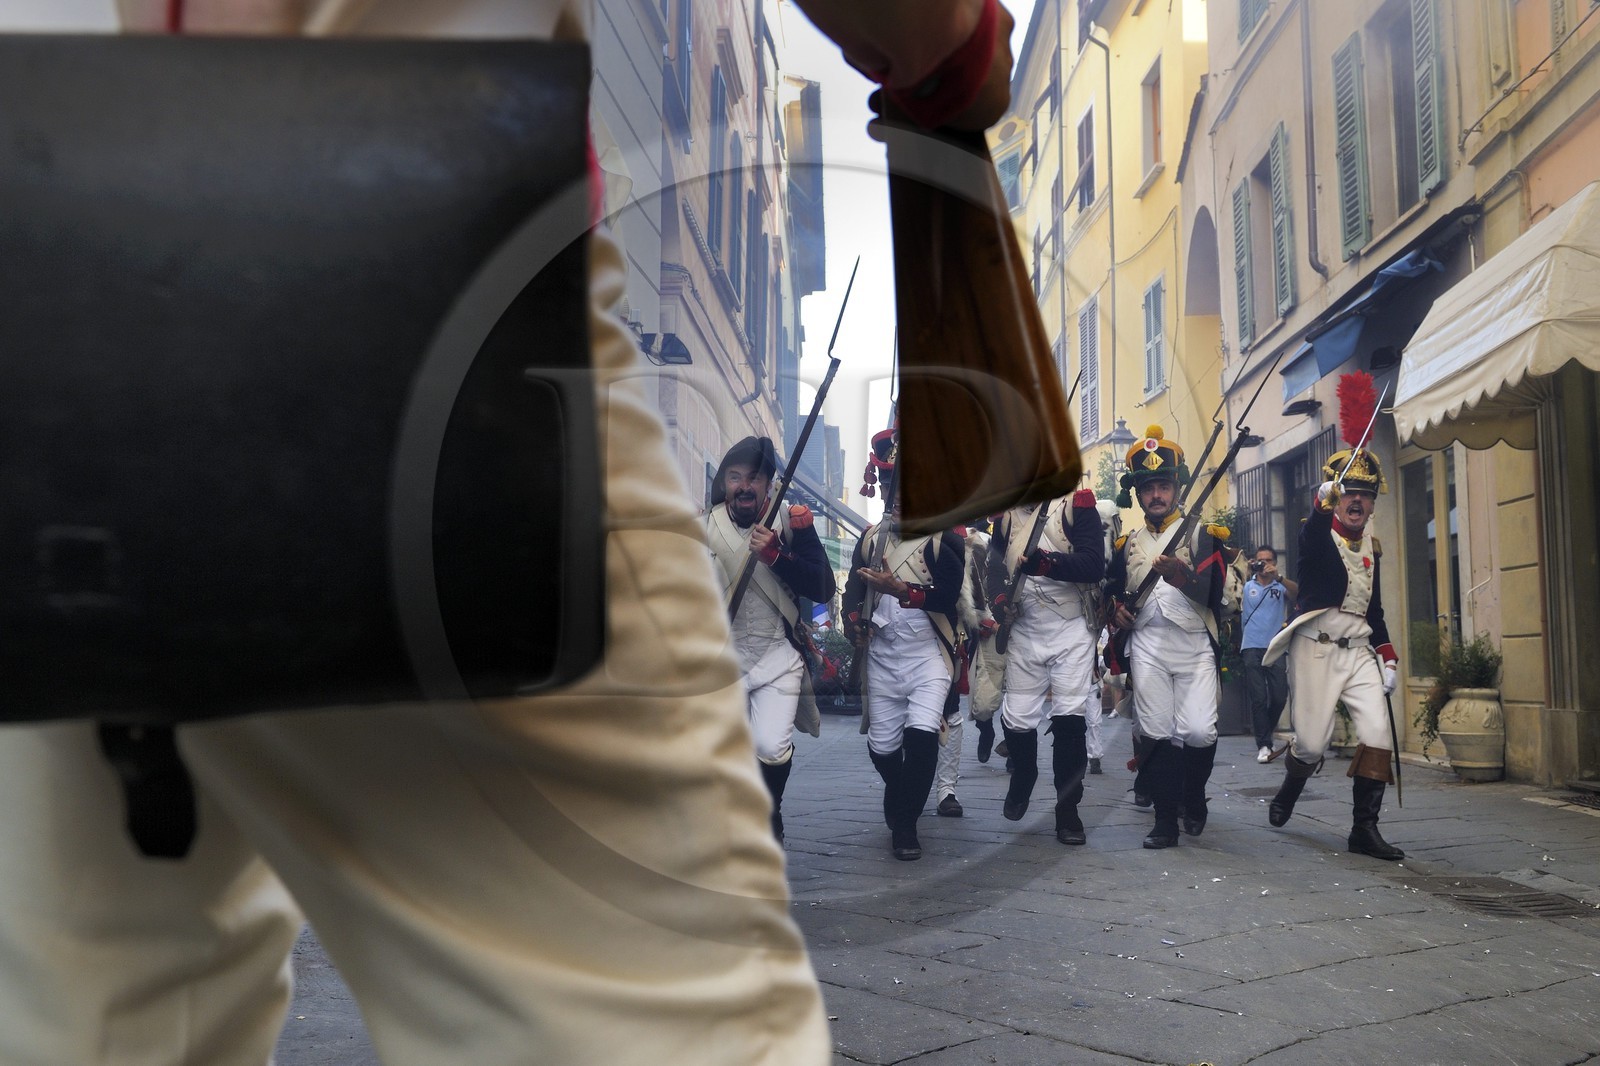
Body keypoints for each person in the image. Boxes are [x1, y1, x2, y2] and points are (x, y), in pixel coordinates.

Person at [0, 0, 1018, 1062]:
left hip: (42, 249)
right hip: (398, 262)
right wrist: (949, 53)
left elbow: (817, 583)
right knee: (663, 1024)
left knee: (93, 1011)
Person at [1263, 373, 1404, 860]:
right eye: (1350, 494)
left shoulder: (1374, 549)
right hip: (1316, 648)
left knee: (1377, 735)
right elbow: (1311, 536)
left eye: (1366, 494)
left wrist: (1387, 657)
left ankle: (1363, 830)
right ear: (1337, 499)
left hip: (1359, 651)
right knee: (1311, 743)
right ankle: (1291, 788)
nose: (1359, 501)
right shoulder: (1317, 537)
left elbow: (1375, 609)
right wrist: (1322, 499)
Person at [1106, 426, 1234, 849]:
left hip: (1194, 643)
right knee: (1157, 731)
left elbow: (1217, 595)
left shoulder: (1202, 535)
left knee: (1199, 731)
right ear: (1138, 495)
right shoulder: (1126, 545)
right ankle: (1164, 820)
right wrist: (1116, 611)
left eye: (1163, 486)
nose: (1156, 495)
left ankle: (1193, 796)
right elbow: (1111, 593)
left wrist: (1182, 576)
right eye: (1148, 489)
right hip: (1147, 646)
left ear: (1176, 489)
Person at [706, 436, 836, 843]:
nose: (744, 486)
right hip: (723, 659)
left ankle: (768, 811)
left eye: (754, 478)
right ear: (725, 483)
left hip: (778, 655)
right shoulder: (702, 527)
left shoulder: (793, 523)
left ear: (768, 483)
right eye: (735, 478)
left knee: (772, 749)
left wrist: (778, 556)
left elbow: (824, 586)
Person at [843, 439, 966, 861]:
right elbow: (851, 593)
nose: (899, 499)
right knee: (881, 749)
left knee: (923, 733)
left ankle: (906, 824)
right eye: (893, 489)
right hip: (882, 656)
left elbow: (949, 596)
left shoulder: (943, 540)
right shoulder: (870, 539)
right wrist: (852, 624)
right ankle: (901, 794)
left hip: (927, 655)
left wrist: (903, 591)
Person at [986, 488, 1104, 845]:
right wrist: (1001, 601)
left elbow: (1094, 564)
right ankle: (1024, 774)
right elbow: (994, 572)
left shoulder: (1075, 507)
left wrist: (1046, 564)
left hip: (1071, 627)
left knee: (1070, 718)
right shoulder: (1005, 518)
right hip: (1024, 627)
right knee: (1018, 719)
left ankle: (1068, 812)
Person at [931, 522, 997, 818]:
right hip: (898, 639)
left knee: (949, 707)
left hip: (949, 631)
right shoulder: (878, 538)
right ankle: (907, 781)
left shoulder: (969, 543)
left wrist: (983, 615)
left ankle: (946, 790)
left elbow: (982, 587)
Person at [1242, 546, 1298, 762]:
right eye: (1260, 560)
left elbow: (1297, 594)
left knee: (1279, 696)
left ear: (1274, 562)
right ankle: (1264, 744)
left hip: (1275, 647)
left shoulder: (1280, 586)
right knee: (1258, 698)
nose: (1263, 564)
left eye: (1268, 560)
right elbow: (1229, 588)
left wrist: (1279, 576)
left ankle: (1267, 730)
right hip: (1251, 646)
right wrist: (1244, 568)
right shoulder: (1247, 586)